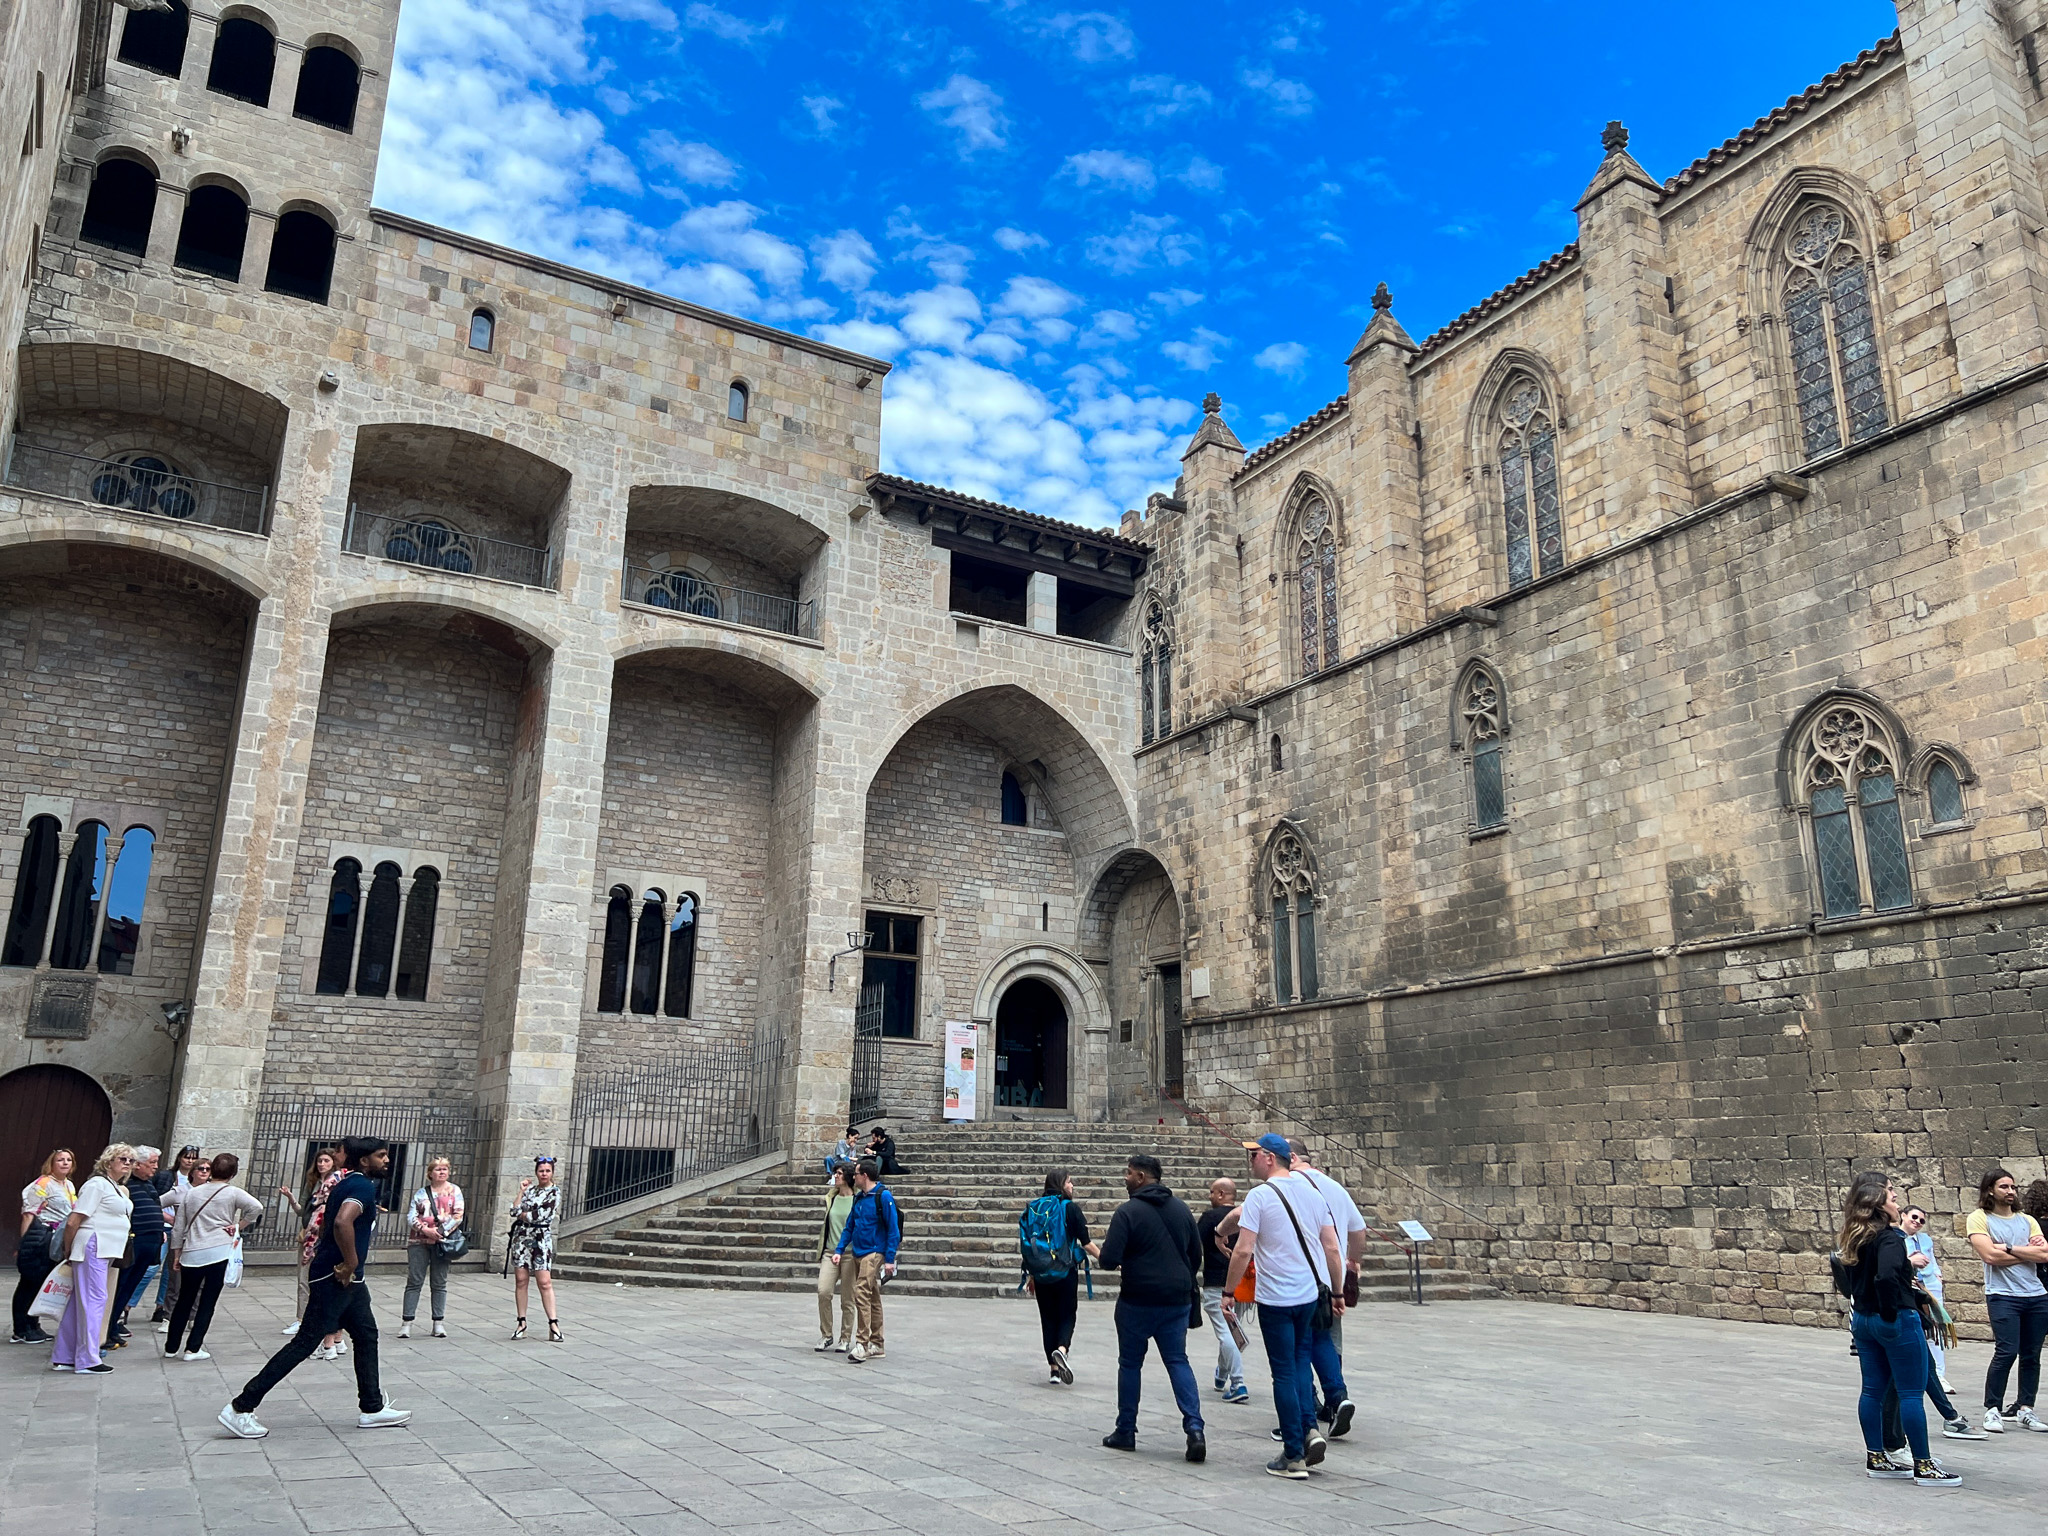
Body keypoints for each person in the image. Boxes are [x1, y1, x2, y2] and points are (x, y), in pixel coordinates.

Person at [218, 1136, 411, 1438]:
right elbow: (342, 1222)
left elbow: (325, 1224)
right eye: (381, 1155)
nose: (387, 1160)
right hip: (337, 1277)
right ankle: (241, 1407)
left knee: (366, 1335)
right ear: (364, 1160)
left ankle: (372, 1407)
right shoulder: (360, 1186)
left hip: (347, 1279)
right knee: (305, 1342)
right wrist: (349, 1262)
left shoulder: (346, 1183)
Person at [1222, 1134, 1345, 1479]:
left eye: (1254, 1155)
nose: (1251, 1161)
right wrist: (1337, 1292)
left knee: (1283, 1373)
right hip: (1309, 1296)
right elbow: (1331, 1247)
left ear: (1270, 1158)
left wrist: (1229, 1291)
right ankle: (1308, 1430)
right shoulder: (1313, 1194)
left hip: (1276, 1298)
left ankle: (1293, 1453)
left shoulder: (1260, 1196)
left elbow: (1243, 1249)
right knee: (1300, 1363)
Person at [1837, 1169, 1960, 1486]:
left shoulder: (1855, 1235)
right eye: (1891, 1194)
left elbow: (1851, 1280)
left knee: (1871, 1391)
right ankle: (1924, 1465)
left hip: (1863, 1320)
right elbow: (1887, 1277)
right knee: (1910, 1393)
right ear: (1879, 1202)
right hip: (1893, 1319)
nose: (1896, 1199)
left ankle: (1876, 1457)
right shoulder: (1889, 1237)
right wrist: (1891, 1312)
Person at [1095, 1153, 1206, 1463]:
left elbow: (1108, 1259)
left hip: (1137, 1298)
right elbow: (1195, 1254)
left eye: (1129, 1173)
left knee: (1130, 1363)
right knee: (1177, 1360)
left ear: (1141, 1177)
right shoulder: (1182, 1209)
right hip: (1176, 1299)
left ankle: (1126, 1430)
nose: (1125, 1178)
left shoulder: (1127, 1212)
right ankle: (1195, 1429)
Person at [1287, 1138, 1363, 1439]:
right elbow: (1358, 1231)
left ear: (1292, 1157)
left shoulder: (1289, 1184)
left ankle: (1308, 1406)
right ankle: (1337, 1399)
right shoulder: (1335, 1187)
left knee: (1298, 1346)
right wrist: (1352, 1262)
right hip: (1333, 1278)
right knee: (1329, 1341)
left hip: (1301, 1279)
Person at [1967, 1166, 2048, 1433]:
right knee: (2006, 1351)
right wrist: (2026, 1254)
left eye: (2013, 1187)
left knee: (2031, 1355)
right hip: (2002, 1295)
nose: (2010, 1191)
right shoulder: (1979, 1218)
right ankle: (1993, 1409)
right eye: (2004, 1187)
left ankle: (2026, 1408)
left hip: (2036, 1295)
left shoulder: (2027, 1220)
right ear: (1990, 1190)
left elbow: (2044, 1254)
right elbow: (1990, 1256)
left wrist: (2009, 1248)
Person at [164, 1153, 263, 1361]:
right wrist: (239, 1226)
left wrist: (177, 1253)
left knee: (184, 1299)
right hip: (218, 1250)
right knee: (207, 1302)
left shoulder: (192, 1193)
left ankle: (171, 1346)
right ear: (233, 1173)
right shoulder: (233, 1192)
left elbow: (179, 1226)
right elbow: (256, 1207)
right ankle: (193, 1348)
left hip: (192, 1250)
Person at [51, 1143, 136, 1375]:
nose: (127, 1163)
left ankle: (65, 1355)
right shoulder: (97, 1184)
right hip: (93, 1245)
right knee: (95, 1299)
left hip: (105, 1248)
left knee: (80, 1302)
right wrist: (69, 1251)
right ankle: (87, 1358)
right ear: (108, 1162)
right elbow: (74, 1221)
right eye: (122, 1159)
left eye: (130, 1160)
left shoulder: (114, 1186)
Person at [1019, 1169, 1100, 1385]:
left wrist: (1031, 1274)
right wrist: (1107, 1259)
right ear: (1061, 1185)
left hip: (1041, 1273)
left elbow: (1028, 1245)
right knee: (1067, 1315)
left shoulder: (1034, 1208)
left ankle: (1054, 1371)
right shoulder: (1069, 1208)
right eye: (1069, 1182)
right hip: (1065, 1271)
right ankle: (1062, 1350)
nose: (1072, 1186)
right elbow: (1086, 1242)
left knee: (1048, 1318)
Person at [831, 1157, 899, 1362]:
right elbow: (849, 1226)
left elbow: (893, 1230)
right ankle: (877, 1343)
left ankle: (862, 1343)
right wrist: (840, 1249)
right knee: (872, 1296)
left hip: (874, 1251)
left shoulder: (883, 1196)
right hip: (859, 1251)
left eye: (857, 1173)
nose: (854, 1177)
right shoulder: (860, 1198)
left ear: (865, 1176)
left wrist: (889, 1259)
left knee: (861, 1292)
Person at [103, 1144, 168, 1351]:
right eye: (152, 1162)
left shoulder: (148, 1184)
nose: (155, 1167)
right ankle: (106, 1329)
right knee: (120, 1286)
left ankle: (113, 1326)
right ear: (138, 1165)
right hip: (134, 1242)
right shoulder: (125, 1185)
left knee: (129, 1287)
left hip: (150, 1243)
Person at [12, 1148, 76, 1345]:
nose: (65, 1163)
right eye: (60, 1160)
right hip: (41, 1236)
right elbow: (28, 1214)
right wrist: (24, 1243)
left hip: (57, 1237)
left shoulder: (69, 1185)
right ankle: (21, 1329)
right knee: (29, 1283)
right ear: (51, 1163)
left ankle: (33, 1324)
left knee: (41, 1283)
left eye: (68, 1160)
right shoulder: (43, 1184)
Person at [282, 1146, 342, 1347]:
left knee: (324, 1282)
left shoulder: (336, 1184)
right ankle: (301, 1319)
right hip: (308, 1235)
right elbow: (302, 1211)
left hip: (325, 1238)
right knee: (303, 1279)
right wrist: (291, 1198)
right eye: (319, 1161)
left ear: (333, 1163)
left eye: (326, 1161)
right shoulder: (313, 1183)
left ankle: (330, 1327)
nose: (322, 1164)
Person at [1195, 1177, 1248, 1404]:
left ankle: (1238, 1382)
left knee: (1225, 1332)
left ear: (1221, 1194)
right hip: (1241, 1284)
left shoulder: (1209, 1217)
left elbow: (1193, 1245)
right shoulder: (1245, 1215)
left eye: (1212, 1192)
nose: (1209, 1196)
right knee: (1231, 1329)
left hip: (1217, 1281)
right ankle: (1222, 1374)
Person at [400, 1157, 464, 1339]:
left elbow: (458, 1215)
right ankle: (407, 1322)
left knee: (439, 1282)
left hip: (442, 1242)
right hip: (419, 1242)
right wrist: (425, 1230)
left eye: (445, 1169)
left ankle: (438, 1323)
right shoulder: (421, 1193)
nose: (442, 1172)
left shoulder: (455, 1191)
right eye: (438, 1169)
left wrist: (440, 1232)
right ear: (430, 1173)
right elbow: (411, 1215)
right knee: (414, 1280)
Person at [508, 1154, 562, 1341]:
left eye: (547, 1171)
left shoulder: (554, 1192)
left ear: (552, 1172)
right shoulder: (530, 1190)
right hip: (522, 1237)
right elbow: (513, 1211)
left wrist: (524, 1214)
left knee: (544, 1281)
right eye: (541, 1171)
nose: (544, 1174)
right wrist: (521, 1192)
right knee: (521, 1280)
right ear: (536, 1172)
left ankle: (553, 1323)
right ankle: (521, 1322)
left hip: (541, 1238)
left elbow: (540, 1215)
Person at [1901, 1206, 1953, 1394]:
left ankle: (1939, 1375)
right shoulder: (1897, 1239)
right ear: (1903, 1216)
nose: (1917, 1222)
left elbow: (1931, 1258)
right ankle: (1916, 1373)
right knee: (1914, 1329)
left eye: (1921, 1220)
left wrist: (1938, 1276)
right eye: (1914, 1217)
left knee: (1936, 1329)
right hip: (1910, 1287)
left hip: (1930, 1286)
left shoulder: (1925, 1239)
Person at [150, 1145, 203, 1324]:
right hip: (166, 1228)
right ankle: (129, 1306)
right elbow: (156, 1201)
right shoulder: (169, 1178)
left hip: (187, 1235)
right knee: (152, 1268)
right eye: (187, 1157)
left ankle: (163, 1309)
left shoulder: (206, 1189)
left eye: (194, 1158)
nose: (190, 1161)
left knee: (173, 1274)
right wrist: (169, 1218)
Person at [814, 1166, 857, 1352]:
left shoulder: (857, 1199)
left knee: (848, 1298)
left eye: (839, 1174)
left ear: (848, 1177)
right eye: (835, 1173)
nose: (835, 1177)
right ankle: (826, 1335)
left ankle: (845, 1338)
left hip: (850, 1253)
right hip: (830, 1251)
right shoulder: (831, 1197)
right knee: (823, 1291)